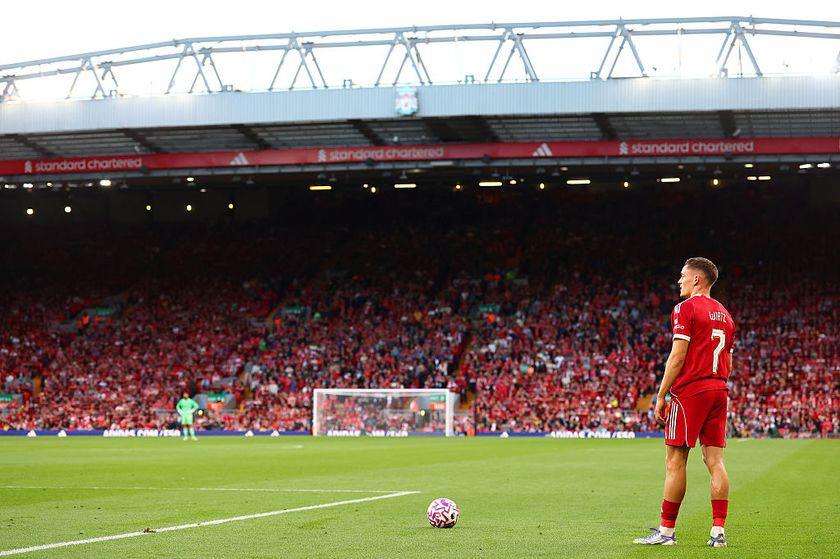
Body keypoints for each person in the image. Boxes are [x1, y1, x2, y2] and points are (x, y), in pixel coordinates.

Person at [634, 257, 736, 547]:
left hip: (690, 391)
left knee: (675, 461)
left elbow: (678, 356)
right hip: (719, 389)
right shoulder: (726, 315)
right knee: (715, 461)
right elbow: (728, 357)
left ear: (696, 280)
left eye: (682, 276)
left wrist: (662, 394)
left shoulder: (685, 308)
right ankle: (718, 532)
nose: (679, 281)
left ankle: (666, 532)